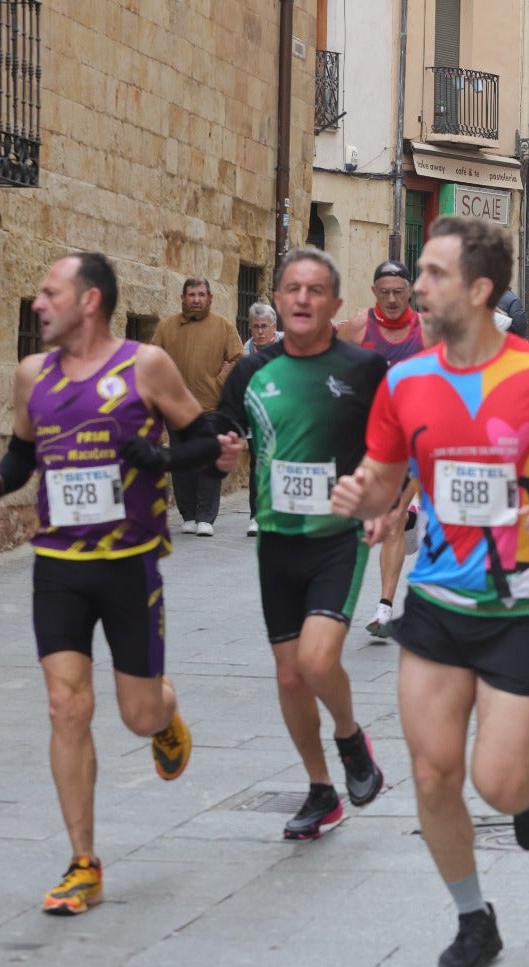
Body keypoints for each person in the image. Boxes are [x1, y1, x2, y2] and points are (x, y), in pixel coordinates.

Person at [329, 216, 529, 967]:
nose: (416, 288)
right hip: (433, 601)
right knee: (433, 773)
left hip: (521, 603)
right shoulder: (403, 381)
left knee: (499, 784)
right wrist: (360, 498)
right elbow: (384, 483)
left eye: (432, 274)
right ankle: (473, 917)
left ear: (480, 288)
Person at [0, 252, 228, 915]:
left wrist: (160, 456)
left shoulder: (144, 366)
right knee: (66, 707)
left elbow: (205, 439)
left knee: (137, 713)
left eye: (51, 292)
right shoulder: (31, 375)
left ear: (90, 302)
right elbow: (23, 453)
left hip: (129, 562)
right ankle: (84, 863)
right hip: (58, 566)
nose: (38, 303)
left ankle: (167, 721)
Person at [176, 249, 388, 843]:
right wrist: (221, 457)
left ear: (335, 305)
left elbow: (391, 444)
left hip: (337, 538)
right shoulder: (250, 372)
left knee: (318, 660)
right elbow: (223, 445)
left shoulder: (364, 369)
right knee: (290, 675)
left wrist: (380, 496)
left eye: (314, 290)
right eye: (291, 288)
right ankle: (321, 790)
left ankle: (349, 739)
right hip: (276, 539)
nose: (301, 299)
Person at [337, 260, 429, 639]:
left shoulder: (427, 332)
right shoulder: (357, 328)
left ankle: (384, 607)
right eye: (385, 292)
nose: (392, 299)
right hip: (365, 440)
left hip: (410, 440)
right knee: (358, 522)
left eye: (399, 291)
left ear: (411, 292)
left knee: (391, 519)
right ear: (374, 291)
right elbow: (326, 370)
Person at [150, 277, 243, 536]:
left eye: (201, 294)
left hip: (210, 407)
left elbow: (237, 358)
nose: (196, 299)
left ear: (210, 298)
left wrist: (218, 382)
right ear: (182, 297)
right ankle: (188, 514)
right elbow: (151, 359)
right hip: (176, 407)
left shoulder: (223, 327)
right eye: (191, 294)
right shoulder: (167, 327)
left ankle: (205, 516)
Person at [242, 303, 283, 536]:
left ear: (274, 327)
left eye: (264, 327)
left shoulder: (289, 346)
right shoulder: (245, 352)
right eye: (255, 327)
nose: (260, 331)